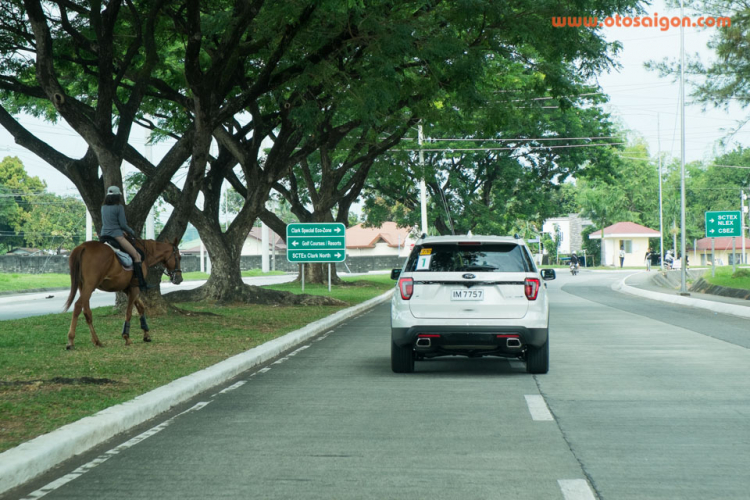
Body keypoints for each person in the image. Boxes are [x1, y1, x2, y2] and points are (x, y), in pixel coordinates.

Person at [100, 186, 148, 291]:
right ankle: (140, 283)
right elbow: (123, 224)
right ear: (118, 196)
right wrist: (131, 232)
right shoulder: (119, 207)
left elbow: (108, 223)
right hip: (117, 236)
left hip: (103, 236)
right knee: (137, 256)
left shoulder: (103, 207)